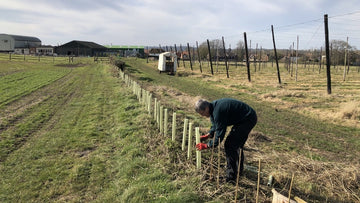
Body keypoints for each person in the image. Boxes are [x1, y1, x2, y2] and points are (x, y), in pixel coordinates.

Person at [194, 98, 257, 183]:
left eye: (202, 113)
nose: (203, 116)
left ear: (206, 108)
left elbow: (220, 135)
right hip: (243, 119)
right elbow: (215, 124)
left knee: (230, 145)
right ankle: (237, 170)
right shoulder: (213, 108)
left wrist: (208, 145)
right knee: (237, 145)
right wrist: (209, 134)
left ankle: (231, 177)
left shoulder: (218, 111)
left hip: (248, 119)